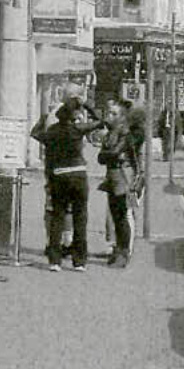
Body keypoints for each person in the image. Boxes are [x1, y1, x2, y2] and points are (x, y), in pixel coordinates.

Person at [31, 96, 103, 272]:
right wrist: (87, 105)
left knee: (57, 216)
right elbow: (100, 122)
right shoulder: (78, 129)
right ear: (73, 117)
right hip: (78, 175)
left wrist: (43, 116)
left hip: (59, 177)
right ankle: (79, 261)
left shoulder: (52, 132)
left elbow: (34, 133)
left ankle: (55, 260)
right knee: (80, 217)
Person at [99, 98, 135, 268]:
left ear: (121, 116)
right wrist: (108, 154)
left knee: (121, 216)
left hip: (123, 177)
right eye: (109, 113)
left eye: (113, 113)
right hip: (112, 176)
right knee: (114, 214)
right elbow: (101, 158)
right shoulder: (110, 133)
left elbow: (113, 152)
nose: (109, 116)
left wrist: (109, 154)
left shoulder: (125, 134)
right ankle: (118, 250)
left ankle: (124, 252)